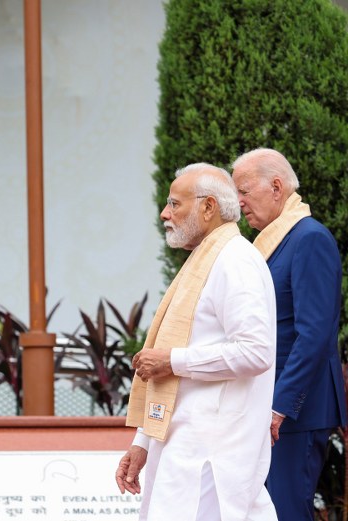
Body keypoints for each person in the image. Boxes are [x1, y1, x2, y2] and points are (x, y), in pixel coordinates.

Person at [115, 163, 278, 521]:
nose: (164, 213)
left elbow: (256, 351)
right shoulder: (203, 261)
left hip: (214, 454)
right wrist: (142, 442)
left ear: (208, 208)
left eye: (174, 203)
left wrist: (173, 361)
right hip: (182, 445)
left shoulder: (235, 261)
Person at [231, 148, 347, 521]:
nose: (239, 202)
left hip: (293, 412)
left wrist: (279, 407)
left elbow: (313, 335)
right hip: (269, 408)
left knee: (285, 512)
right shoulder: (277, 239)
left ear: (277, 186)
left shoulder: (308, 238)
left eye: (244, 191)